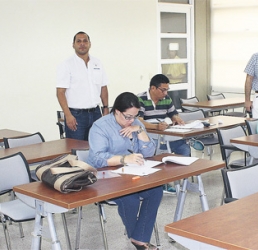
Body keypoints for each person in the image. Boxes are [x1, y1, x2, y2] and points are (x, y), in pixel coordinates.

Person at [88, 92, 162, 250]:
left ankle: (137, 237)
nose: (131, 121)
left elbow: (149, 153)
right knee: (130, 198)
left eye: (134, 117)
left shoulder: (135, 124)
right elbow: (97, 159)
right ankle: (140, 239)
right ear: (116, 111)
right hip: (107, 177)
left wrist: (140, 130)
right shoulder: (100, 127)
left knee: (156, 190)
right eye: (127, 117)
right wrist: (124, 159)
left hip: (132, 174)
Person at [137, 74, 191, 193]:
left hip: (165, 135)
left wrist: (177, 119)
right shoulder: (140, 99)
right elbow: (138, 122)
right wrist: (156, 126)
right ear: (153, 88)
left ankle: (182, 179)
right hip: (149, 137)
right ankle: (160, 182)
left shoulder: (167, 99)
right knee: (159, 148)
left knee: (184, 147)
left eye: (167, 90)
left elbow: (173, 114)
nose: (166, 93)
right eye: (163, 90)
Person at [56, 31, 109, 141]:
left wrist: (105, 108)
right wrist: (68, 115)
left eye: (85, 41)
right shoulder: (67, 64)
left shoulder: (97, 63)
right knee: (77, 149)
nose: (82, 44)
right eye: (78, 41)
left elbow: (103, 87)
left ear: (90, 44)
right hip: (76, 115)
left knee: (97, 146)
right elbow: (60, 92)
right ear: (73, 45)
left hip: (96, 113)